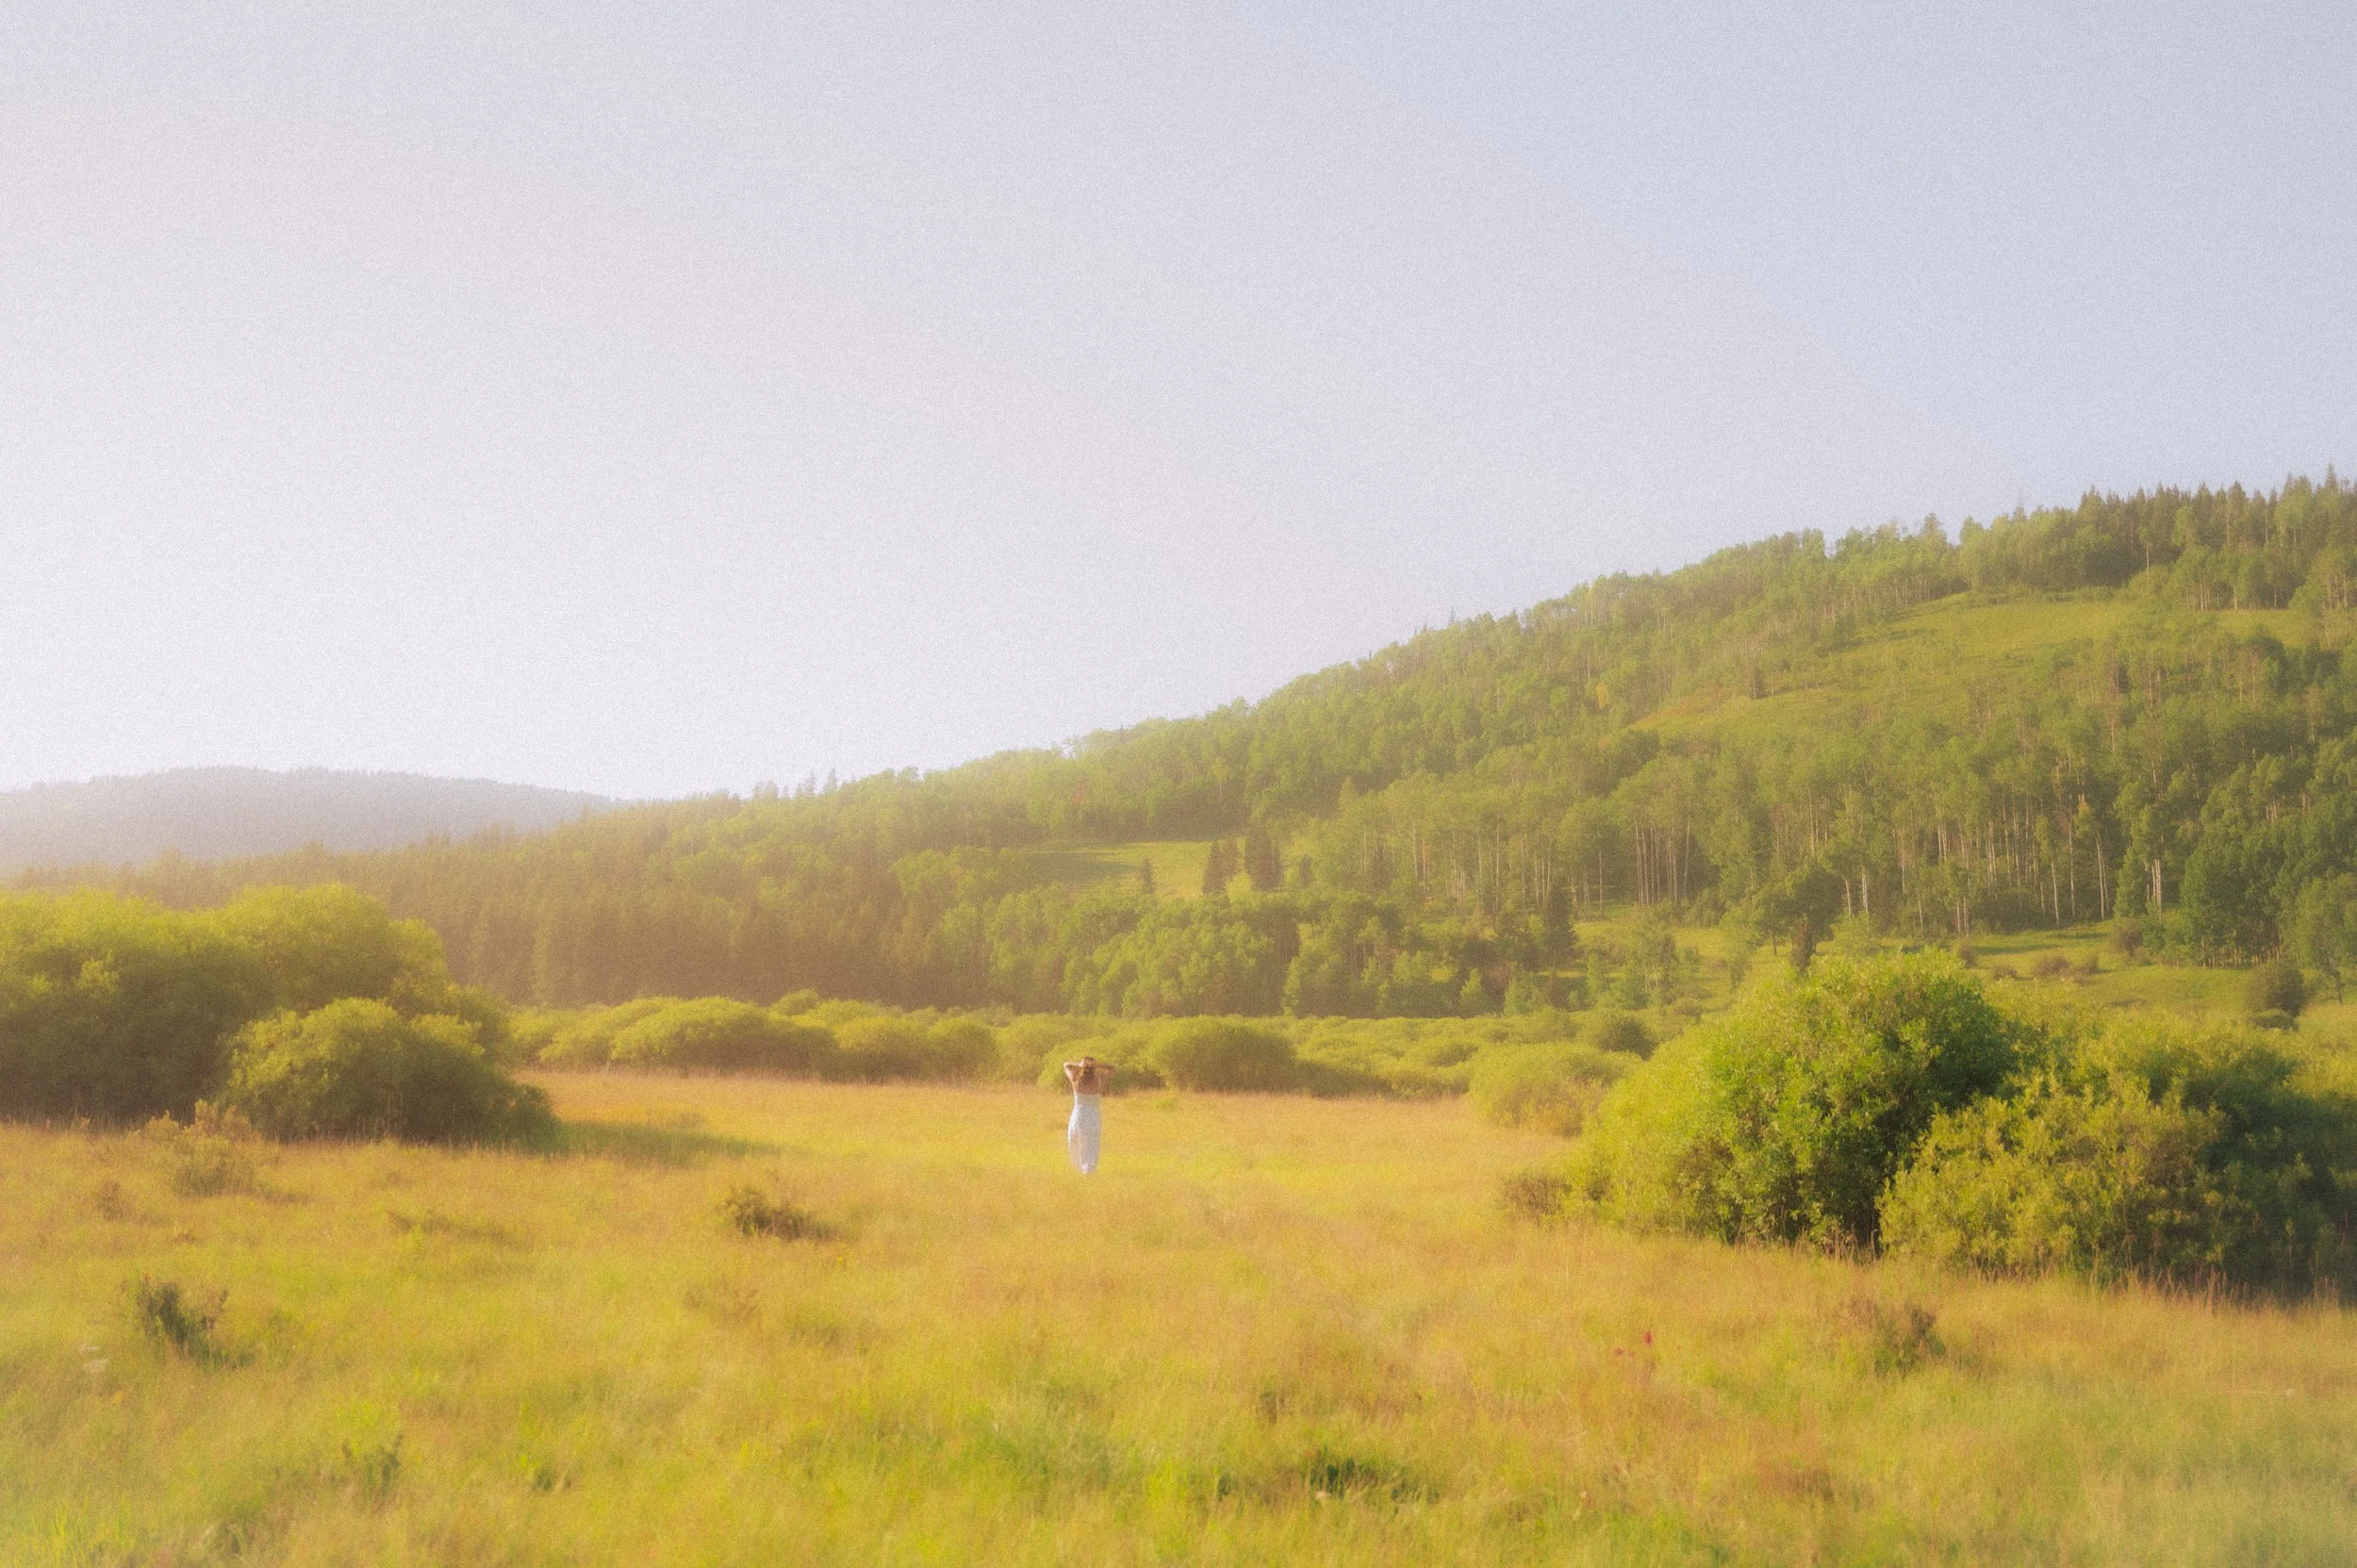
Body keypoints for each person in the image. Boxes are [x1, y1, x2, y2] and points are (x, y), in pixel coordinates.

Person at [1063, 1055, 1113, 1174]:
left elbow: (1066, 1065)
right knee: (1091, 1144)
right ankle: (1088, 1170)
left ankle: (1080, 1169)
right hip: (1093, 1116)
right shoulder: (1100, 1080)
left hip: (1079, 1114)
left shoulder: (1075, 1079)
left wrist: (1080, 1065)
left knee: (1076, 1141)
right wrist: (1097, 1065)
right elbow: (1112, 1068)